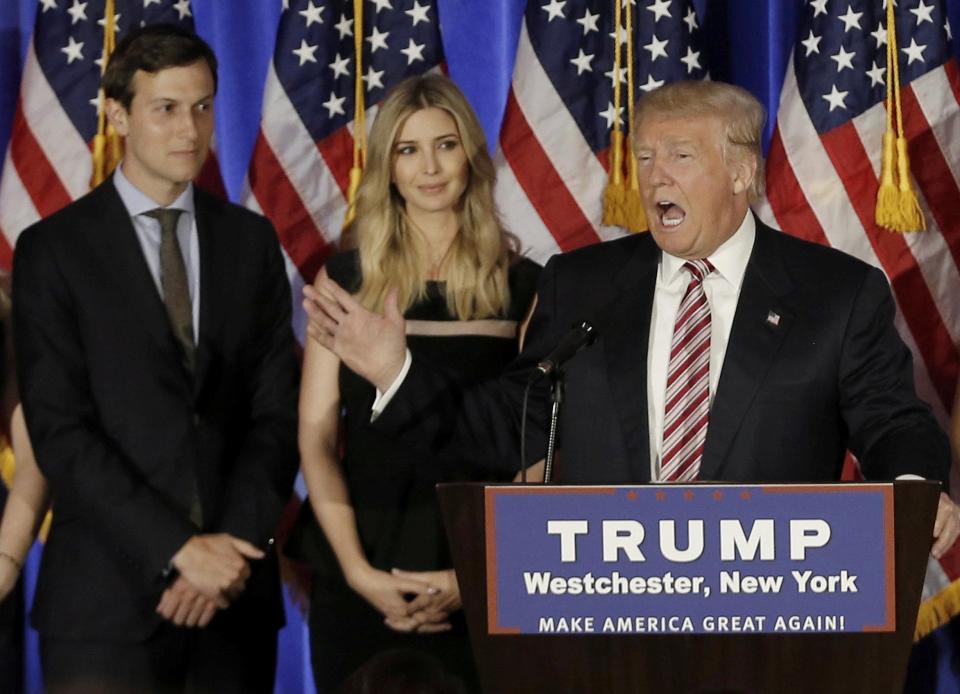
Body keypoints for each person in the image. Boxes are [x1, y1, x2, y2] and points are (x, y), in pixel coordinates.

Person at [304, 79, 960, 556]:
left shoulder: (836, 294)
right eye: (644, 157)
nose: (653, 177)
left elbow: (892, 420)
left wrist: (909, 494)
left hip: (772, 620)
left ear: (740, 172)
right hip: (610, 627)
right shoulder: (584, 285)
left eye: (679, 156)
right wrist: (396, 369)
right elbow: (513, 427)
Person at [12, 24, 299, 693]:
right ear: (117, 114)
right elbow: (60, 429)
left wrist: (227, 550)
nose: (189, 130)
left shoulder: (251, 242)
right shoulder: (53, 251)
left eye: (202, 106)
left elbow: (276, 415)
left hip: (233, 602)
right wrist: (178, 550)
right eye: (165, 108)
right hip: (105, 606)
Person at [289, 74, 540, 692]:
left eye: (445, 145)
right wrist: (355, 570)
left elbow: (538, 452)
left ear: (470, 156)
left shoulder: (528, 284)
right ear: (387, 168)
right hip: (363, 566)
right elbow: (317, 436)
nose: (430, 166)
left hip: (482, 572)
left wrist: (482, 575)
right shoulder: (345, 279)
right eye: (408, 149)